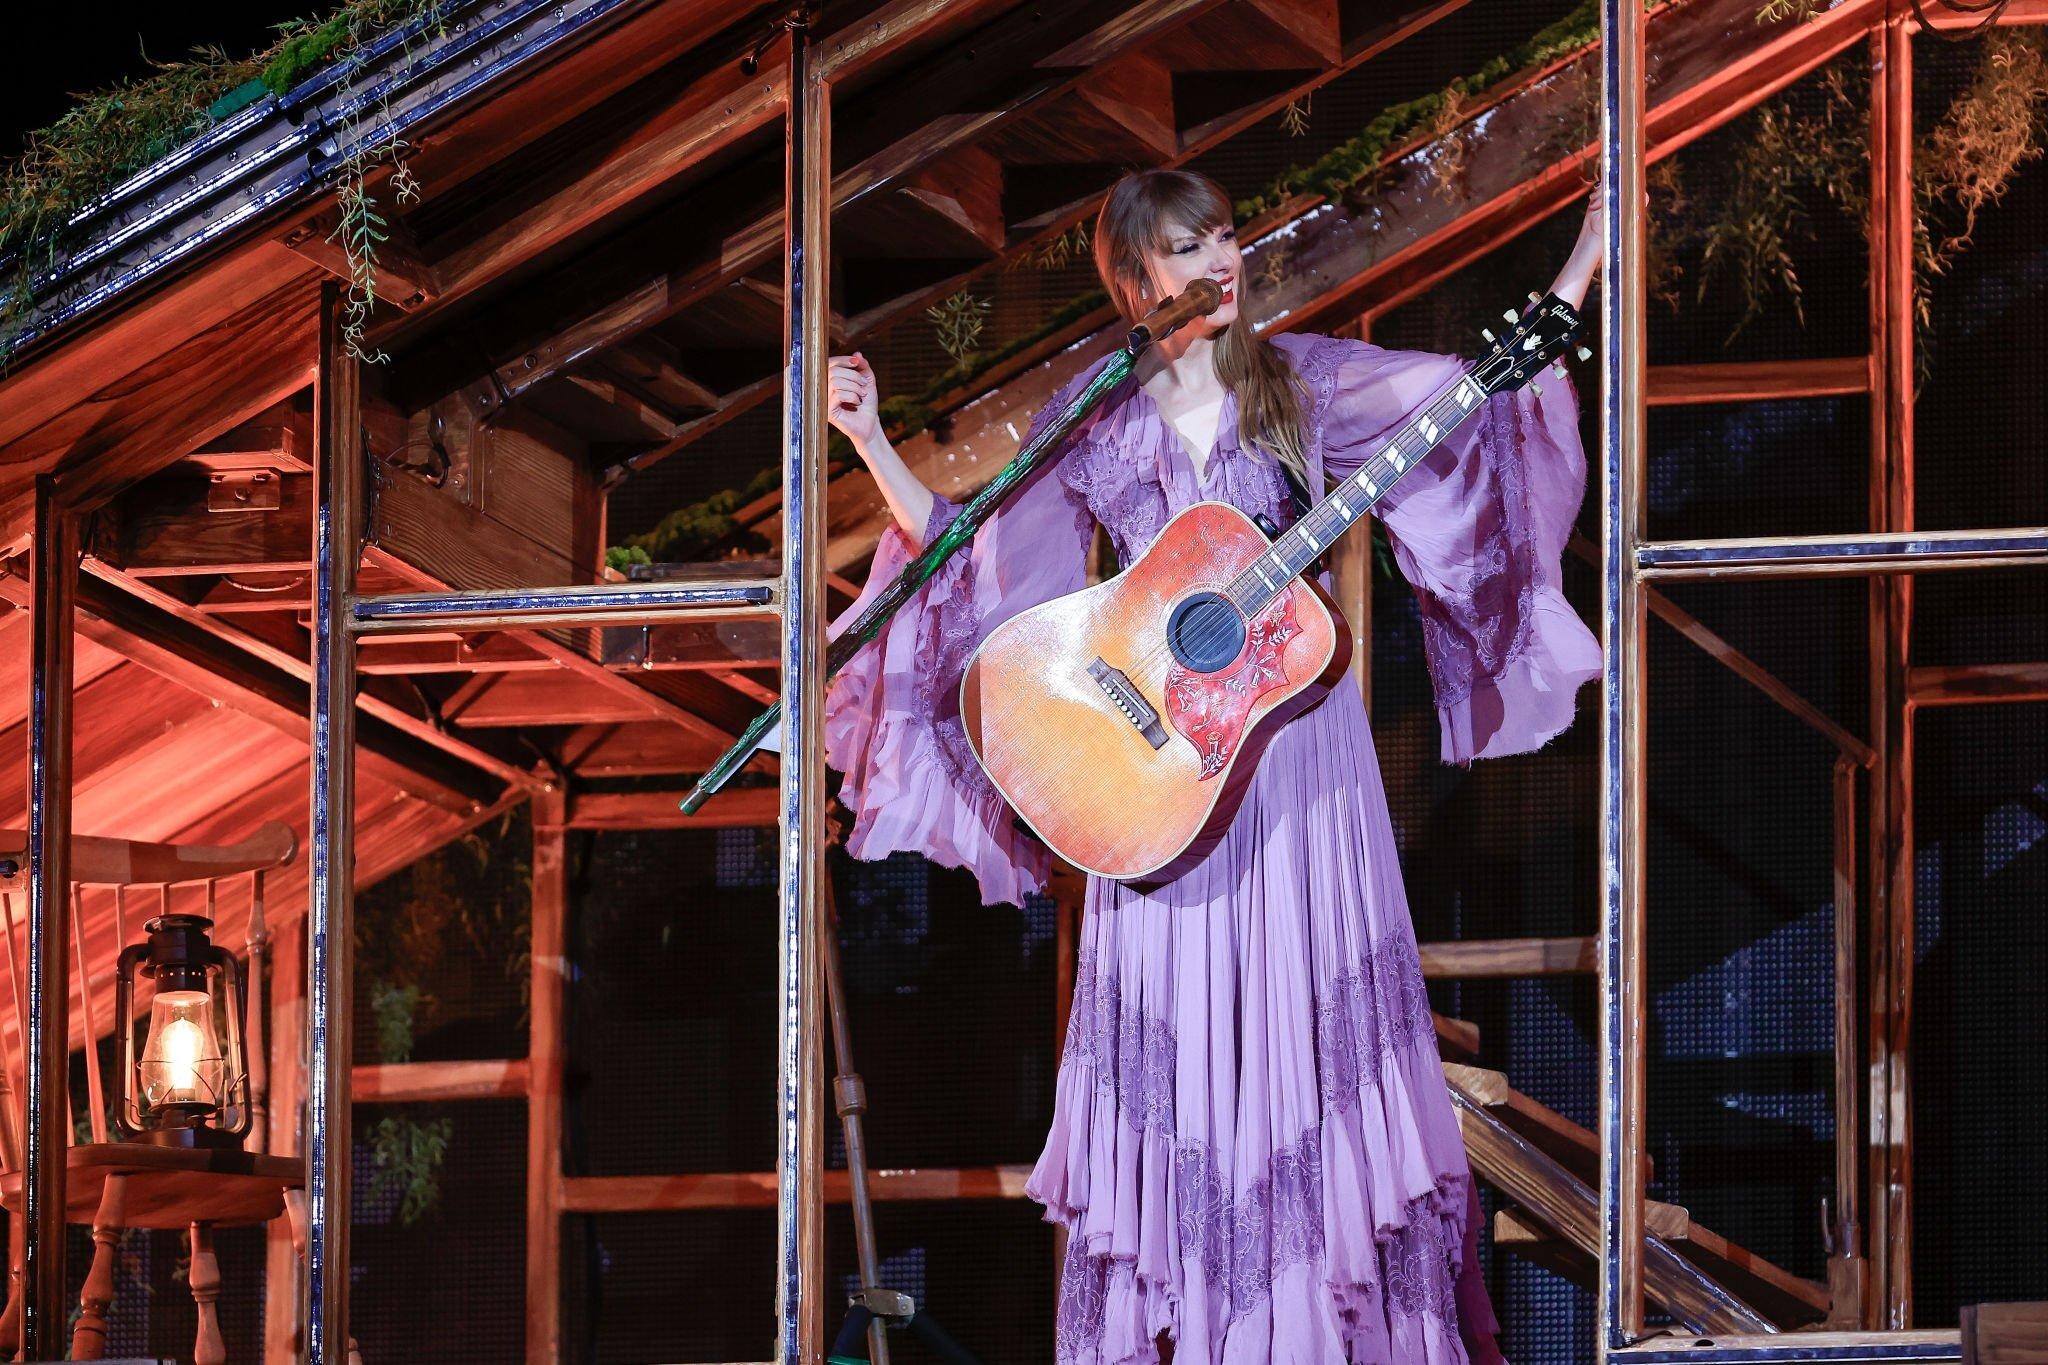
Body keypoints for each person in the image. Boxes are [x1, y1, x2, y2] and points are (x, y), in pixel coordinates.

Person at [822, 167, 1604, 1364]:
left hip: (1296, 765)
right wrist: (869, 437)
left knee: (1309, 1045)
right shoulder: (1098, 414)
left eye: (1225, 235)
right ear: (1137, 281)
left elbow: (1460, 404)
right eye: (1189, 247)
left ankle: (1331, 1331)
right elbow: (985, 566)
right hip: (1160, 785)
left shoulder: (1297, 380)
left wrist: (1579, 265)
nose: (1220, 260)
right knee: (1180, 1061)